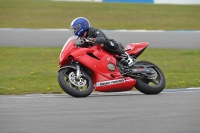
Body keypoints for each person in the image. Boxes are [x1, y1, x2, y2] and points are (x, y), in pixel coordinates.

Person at [70, 17, 134, 68]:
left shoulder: (92, 31)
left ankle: (128, 58)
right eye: (74, 29)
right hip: (99, 55)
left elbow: (102, 38)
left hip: (109, 48)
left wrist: (93, 40)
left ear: (81, 26)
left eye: (76, 29)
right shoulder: (81, 38)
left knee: (107, 43)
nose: (75, 30)